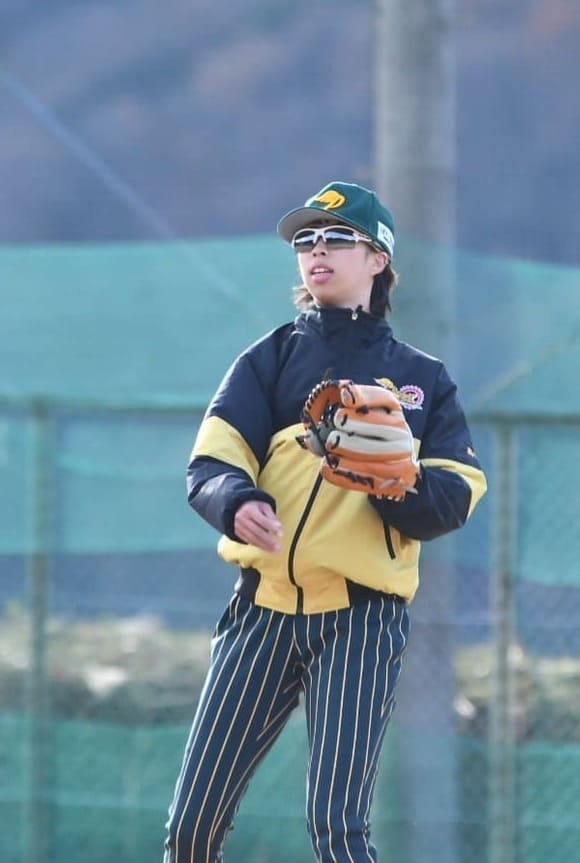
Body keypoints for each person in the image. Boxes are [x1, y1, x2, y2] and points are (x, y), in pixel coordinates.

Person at [163, 180, 487, 863]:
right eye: (305, 241)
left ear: (378, 260)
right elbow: (211, 463)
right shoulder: (271, 357)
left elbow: (455, 497)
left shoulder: (422, 380)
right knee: (192, 826)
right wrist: (237, 501)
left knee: (337, 827)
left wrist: (397, 482)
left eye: (337, 238)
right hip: (262, 610)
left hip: (361, 619)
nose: (317, 250)